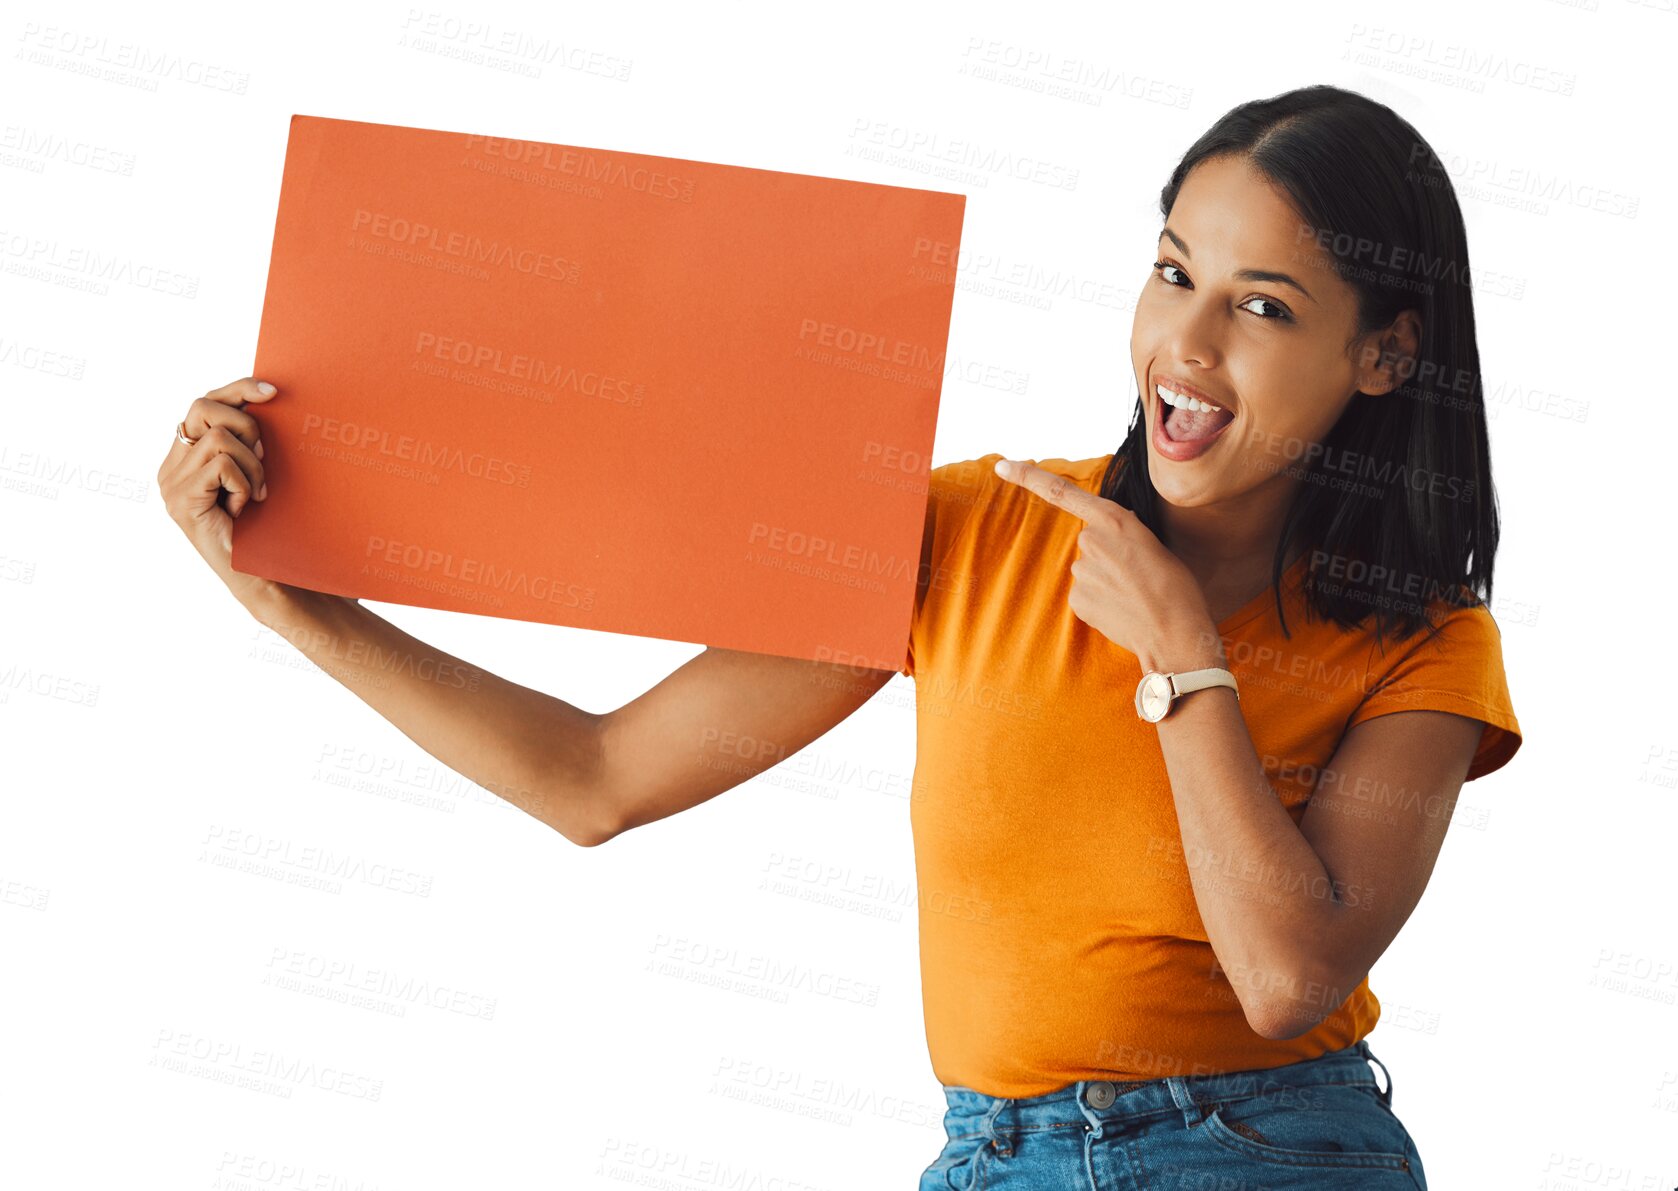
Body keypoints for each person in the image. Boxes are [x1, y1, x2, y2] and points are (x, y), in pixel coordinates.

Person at [159, 82, 1519, 1190]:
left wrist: (1183, 663)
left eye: (1262, 305)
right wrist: (292, 600)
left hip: (1268, 1154)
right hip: (987, 1158)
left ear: (1385, 355)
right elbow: (594, 779)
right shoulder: (974, 533)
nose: (1186, 342)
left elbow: (1285, 979)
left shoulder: (1423, 646)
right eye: (1173, 273)